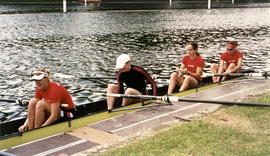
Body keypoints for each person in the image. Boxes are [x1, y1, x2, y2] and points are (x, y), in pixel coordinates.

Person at [18, 68, 75, 132]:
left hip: (68, 113)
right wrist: (25, 124)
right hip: (55, 110)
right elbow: (32, 109)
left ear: (46, 78)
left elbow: (54, 116)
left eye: (39, 80)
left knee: (40, 104)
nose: (37, 82)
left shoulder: (54, 89)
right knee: (32, 101)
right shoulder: (39, 88)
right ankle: (30, 130)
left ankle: (36, 131)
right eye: (35, 80)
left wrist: (42, 129)